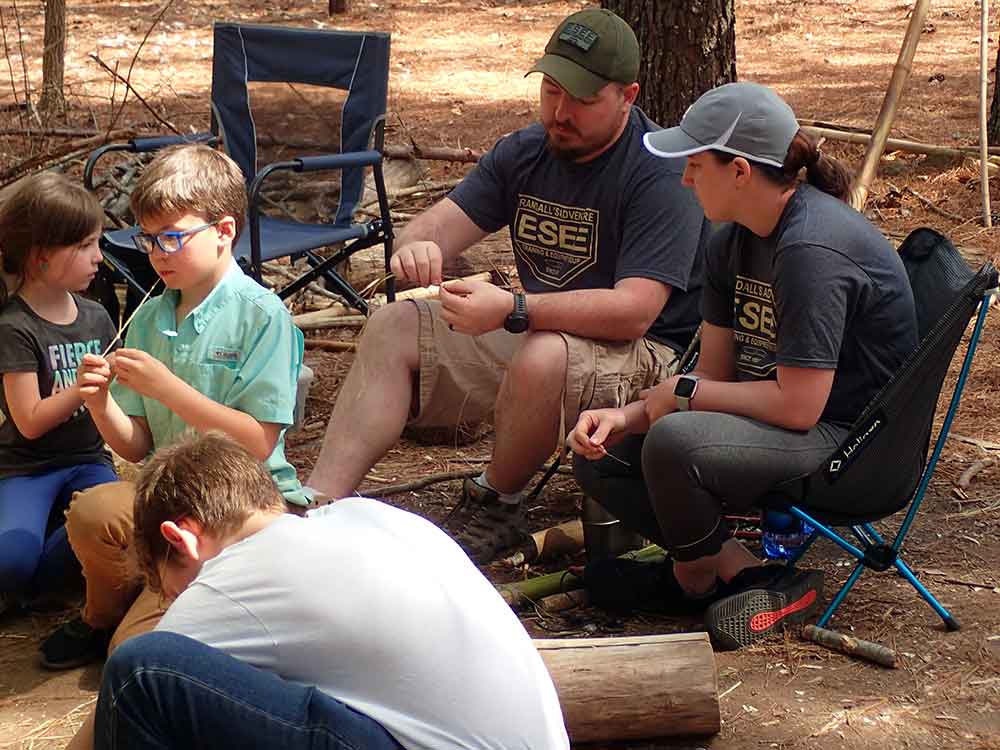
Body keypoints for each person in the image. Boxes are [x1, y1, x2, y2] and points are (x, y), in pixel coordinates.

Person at [306, 8, 710, 564]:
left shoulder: (658, 171)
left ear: (628, 96)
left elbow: (636, 311)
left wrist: (515, 307)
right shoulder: (524, 152)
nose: (560, 112)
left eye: (583, 99)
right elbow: (432, 228)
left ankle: (498, 501)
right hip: (537, 331)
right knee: (393, 325)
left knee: (543, 352)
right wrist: (418, 247)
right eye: (551, 91)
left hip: (646, 358)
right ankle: (319, 503)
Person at [569, 81, 919, 649]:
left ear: (739, 171)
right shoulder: (730, 240)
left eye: (695, 165)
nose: (684, 179)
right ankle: (750, 576)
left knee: (674, 441)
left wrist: (680, 396)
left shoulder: (811, 250)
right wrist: (627, 416)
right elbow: (715, 374)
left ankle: (694, 576)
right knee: (603, 451)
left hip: (852, 446)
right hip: (782, 423)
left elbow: (800, 406)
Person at [85, 431, 570, 750]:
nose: (178, 604)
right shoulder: (368, 517)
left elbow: (114, 710)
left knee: (139, 671)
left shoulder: (235, 576)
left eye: (174, 590)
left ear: (181, 538)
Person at [40, 144, 308, 669]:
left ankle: (171, 605)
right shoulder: (150, 314)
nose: (158, 253)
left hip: (244, 505)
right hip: (168, 498)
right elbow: (137, 444)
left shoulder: (261, 315)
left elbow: (257, 441)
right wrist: (98, 403)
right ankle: (103, 614)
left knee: (136, 655)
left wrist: (167, 388)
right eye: (148, 239)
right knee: (94, 512)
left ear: (224, 231)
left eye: (173, 238)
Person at [0, 173, 119, 617]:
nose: (98, 258)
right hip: (28, 468)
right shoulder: (15, 326)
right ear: (41, 256)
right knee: (12, 563)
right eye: (85, 246)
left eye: (98, 244)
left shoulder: (97, 317)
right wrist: (81, 390)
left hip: (87, 461)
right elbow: (28, 420)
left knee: (116, 531)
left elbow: (118, 405)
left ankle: (47, 552)